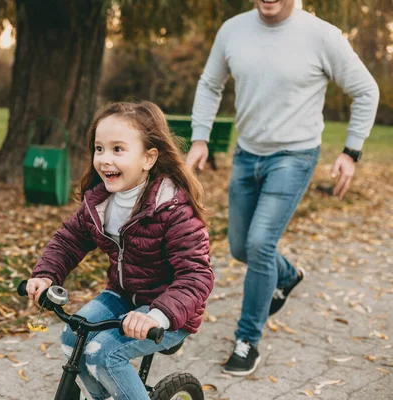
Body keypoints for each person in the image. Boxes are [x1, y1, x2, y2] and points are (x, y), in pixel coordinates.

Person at [186, 0, 379, 376]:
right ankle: (287, 275)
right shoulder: (232, 30)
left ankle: (247, 340)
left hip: (294, 156)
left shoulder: (321, 35)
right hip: (246, 155)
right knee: (242, 246)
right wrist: (199, 139)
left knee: (260, 244)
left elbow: (366, 90)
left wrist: (351, 151)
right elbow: (210, 84)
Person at [25, 101, 214, 400]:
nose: (104, 159)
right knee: (71, 339)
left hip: (168, 312)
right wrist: (46, 275)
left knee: (103, 354)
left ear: (148, 158)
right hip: (122, 295)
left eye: (118, 149)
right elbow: (69, 239)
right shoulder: (100, 202)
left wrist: (158, 315)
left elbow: (196, 276)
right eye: (99, 149)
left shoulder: (173, 208)